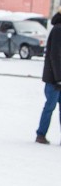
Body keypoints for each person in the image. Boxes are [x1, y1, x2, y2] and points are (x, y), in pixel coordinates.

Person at [35, 11, 61, 144]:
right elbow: (55, 55)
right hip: (54, 79)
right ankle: (41, 134)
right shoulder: (58, 30)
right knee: (50, 106)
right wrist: (58, 78)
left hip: (57, 77)